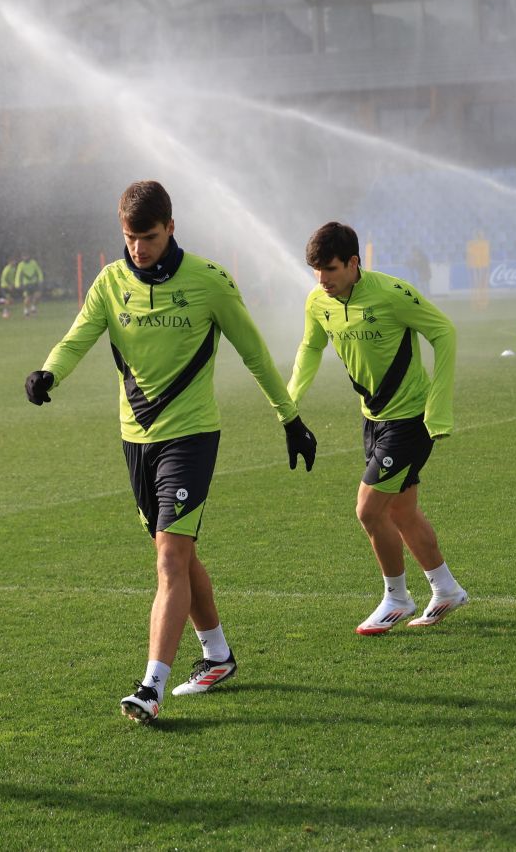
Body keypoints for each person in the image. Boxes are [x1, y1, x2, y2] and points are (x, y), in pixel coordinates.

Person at [25, 180, 317, 724]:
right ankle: (218, 655)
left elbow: (253, 352)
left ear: (172, 228)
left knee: (168, 558)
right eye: (131, 238)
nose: (140, 249)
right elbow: (79, 335)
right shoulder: (110, 282)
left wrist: (289, 416)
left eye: (150, 237)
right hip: (135, 440)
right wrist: (50, 371)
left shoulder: (209, 281)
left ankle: (151, 686)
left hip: (192, 436)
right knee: (180, 555)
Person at [288, 223, 468, 636]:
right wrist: (291, 397)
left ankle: (397, 598)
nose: (322, 280)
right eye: (316, 271)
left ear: (354, 263)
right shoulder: (319, 301)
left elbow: (444, 332)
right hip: (373, 419)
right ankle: (446, 589)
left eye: (330, 269)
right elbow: (311, 346)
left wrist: (438, 409)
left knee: (369, 510)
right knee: (402, 510)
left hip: (411, 420)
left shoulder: (390, 294)